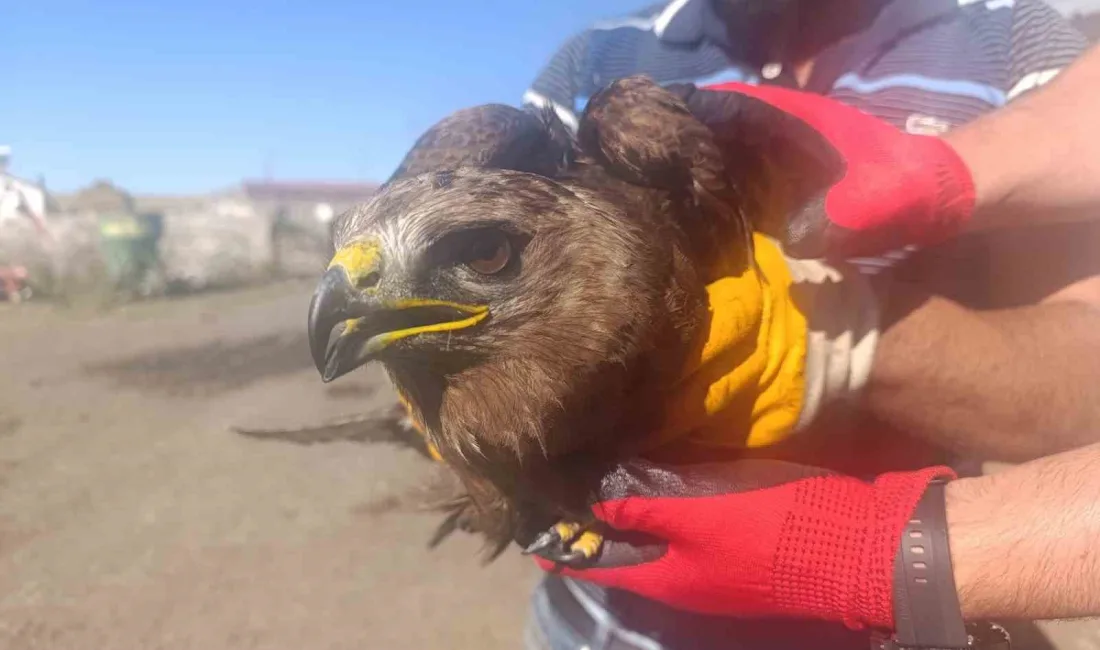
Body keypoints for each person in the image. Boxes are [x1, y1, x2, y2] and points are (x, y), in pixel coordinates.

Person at [521, 2, 1099, 649]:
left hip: (892, 629)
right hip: (602, 627)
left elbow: (1087, 388)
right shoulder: (597, 58)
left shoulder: (1013, 40)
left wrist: (834, 336)